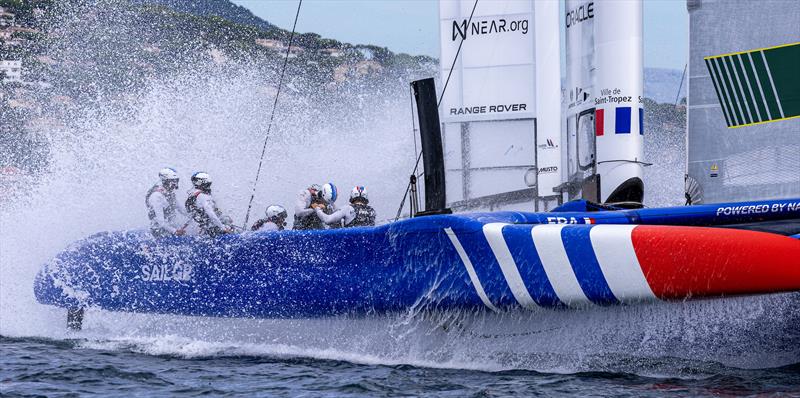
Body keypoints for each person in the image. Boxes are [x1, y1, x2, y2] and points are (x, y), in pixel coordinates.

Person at [184, 171, 233, 237]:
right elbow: (211, 214)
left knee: (227, 220)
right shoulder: (202, 196)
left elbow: (195, 214)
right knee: (228, 226)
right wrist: (223, 228)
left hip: (205, 228)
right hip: (210, 229)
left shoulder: (195, 194)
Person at [146, 167, 186, 237]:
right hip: (159, 232)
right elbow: (160, 222)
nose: (175, 184)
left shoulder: (169, 194)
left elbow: (181, 209)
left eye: (176, 181)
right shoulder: (157, 196)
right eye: (173, 181)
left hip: (170, 229)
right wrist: (175, 231)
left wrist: (194, 214)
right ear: (166, 181)